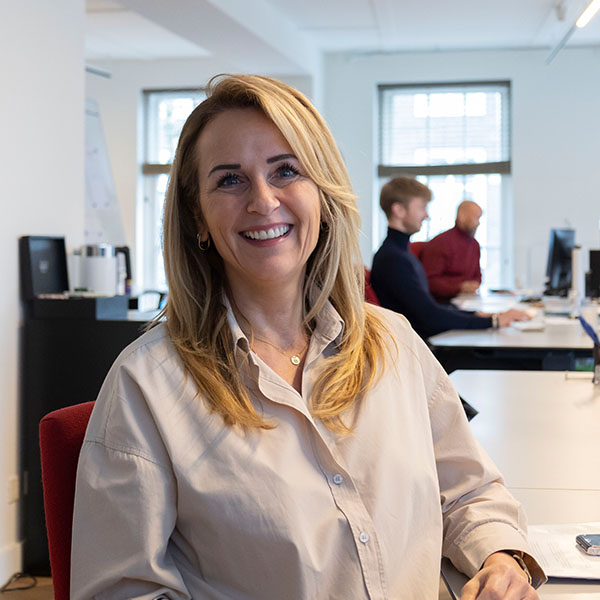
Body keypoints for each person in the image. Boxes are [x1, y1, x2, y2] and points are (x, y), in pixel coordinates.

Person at [70, 75, 545, 599]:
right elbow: (123, 590)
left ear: (322, 193)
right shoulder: (145, 385)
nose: (263, 200)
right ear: (197, 218)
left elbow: (469, 491)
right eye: (230, 180)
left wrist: (501, 558)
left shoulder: (395, 343)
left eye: (286, 170)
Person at [370, 177, 530, 340]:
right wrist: (493, 321)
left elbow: (429, 308)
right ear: (399, 210)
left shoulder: (400, 253)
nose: (426, 215)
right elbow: (430, 317)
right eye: (422, 207)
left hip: (426, 339)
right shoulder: (393, 259)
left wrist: (477, 315)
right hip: (422, 346)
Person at [420, 200, 483, 302]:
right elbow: (430, 281)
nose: (478, 223)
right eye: (476, 218)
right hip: (443, 303)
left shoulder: (474, 245)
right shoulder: (440, 243)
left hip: (468, 301)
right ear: (462, 216)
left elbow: (477, 276)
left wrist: (474, 285)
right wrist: (460, 287)